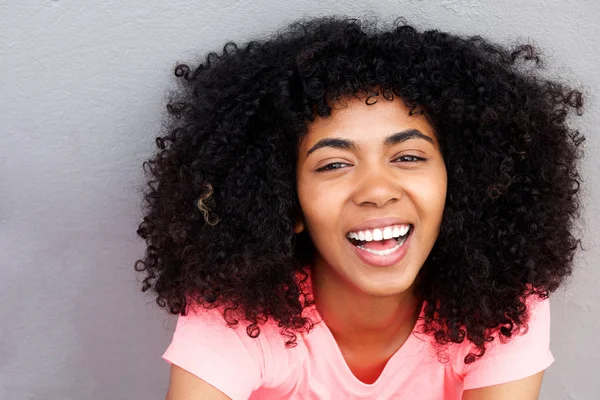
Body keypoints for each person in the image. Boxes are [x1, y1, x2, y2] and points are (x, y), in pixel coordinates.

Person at [134, 15, 585, 399]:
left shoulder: (501, 302)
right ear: (285, 203)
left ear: (460, 183)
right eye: (334, 164)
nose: (377, 189)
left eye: (407, 157)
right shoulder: (235, 309)